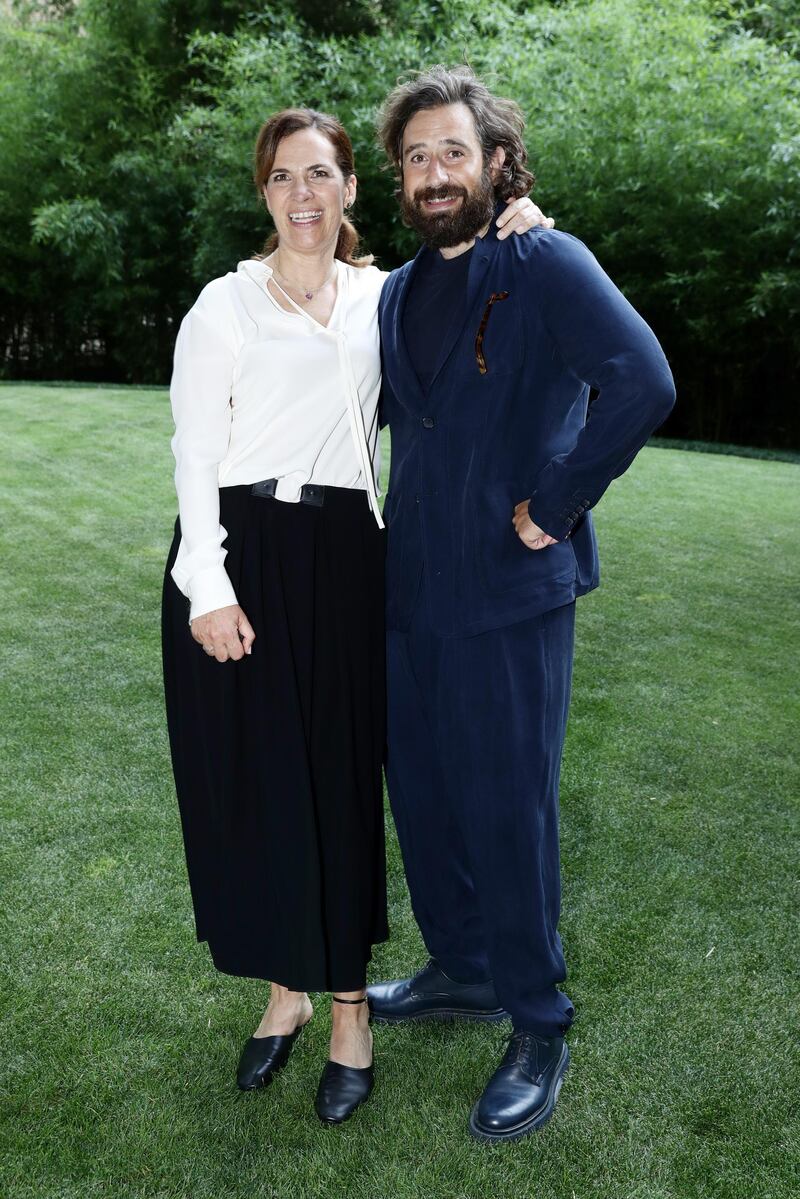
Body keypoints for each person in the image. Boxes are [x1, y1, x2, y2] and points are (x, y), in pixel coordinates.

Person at [161, 105, 546, 1125]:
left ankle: (345, 1011)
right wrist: (208, 583)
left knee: (336, 778)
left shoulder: (384, 297)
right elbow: (194, 454)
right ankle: (282, 988)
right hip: (240, 558)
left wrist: (521, 219)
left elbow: (477, 289)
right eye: (283, 177)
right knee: (258, 786)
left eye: (320, 175)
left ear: (346, 190)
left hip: (346, 560)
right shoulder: (223, 308)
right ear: (263, 192)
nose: (302, 195)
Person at [367, 65, 676, 1142]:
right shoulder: (399, 288)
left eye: (454, 151)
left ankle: (536, 1017)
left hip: (507, 596)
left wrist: (555, 500)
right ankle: (461, 966)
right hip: (407, 595)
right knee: (427, 796)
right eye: (415, 156)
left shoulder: (542, 260)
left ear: (497, 161)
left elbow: (641, 379)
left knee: (507, 805)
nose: (434, 173)